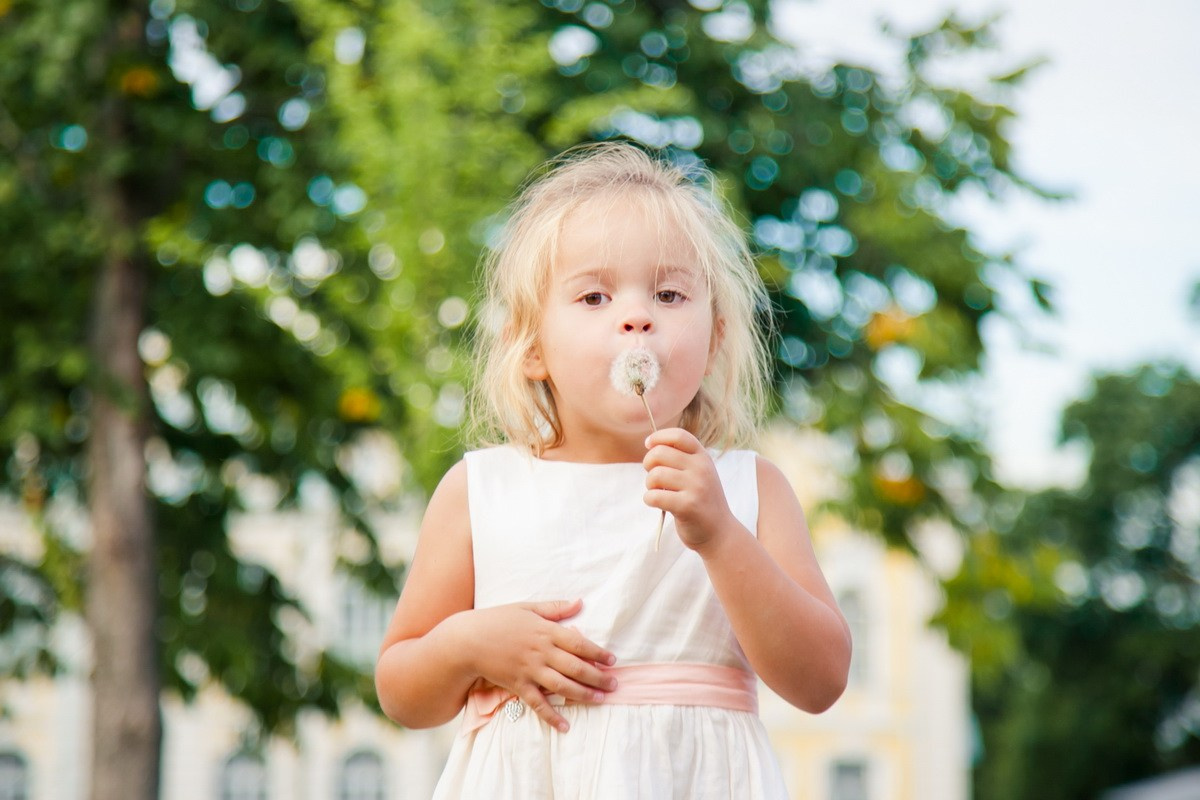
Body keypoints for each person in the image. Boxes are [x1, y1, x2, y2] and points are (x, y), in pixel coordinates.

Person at [375, 142, 851, 798]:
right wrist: (467, 645)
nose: (637, 315)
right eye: (595, 296)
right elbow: (402, 691)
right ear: (533, 348)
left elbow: (821, 679)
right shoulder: (482, 490)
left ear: (713, 339)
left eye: (669, 292)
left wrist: (719, 535)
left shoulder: (747, 489)